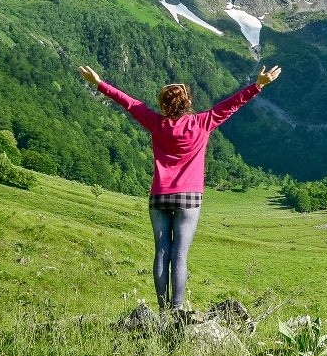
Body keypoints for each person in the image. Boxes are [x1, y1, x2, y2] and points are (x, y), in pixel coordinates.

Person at [77, 64, 282, 312]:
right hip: (189, 197)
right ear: (188, 103)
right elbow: (231, 104)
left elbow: (129, 103)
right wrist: (257, 85)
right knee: (180, 255)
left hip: (159, 195)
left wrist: (98, 83)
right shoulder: (202, 123)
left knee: (161, 252)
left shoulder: (155, 123)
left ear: (163, 105)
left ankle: (162, 310)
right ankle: (177, 310)